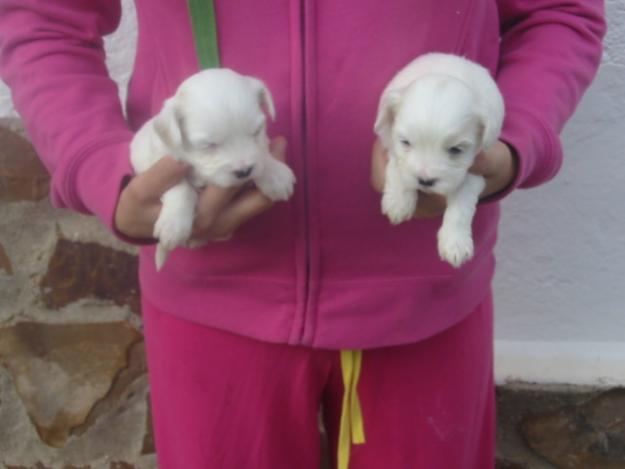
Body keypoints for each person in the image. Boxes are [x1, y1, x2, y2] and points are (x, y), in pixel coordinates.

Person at [0, 1, 605, 468]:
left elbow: (557, 13)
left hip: (425, 302)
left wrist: (507, 145)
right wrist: (103, 167)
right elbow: (44, 20)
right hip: (211, 301)